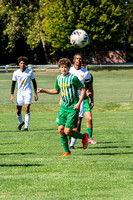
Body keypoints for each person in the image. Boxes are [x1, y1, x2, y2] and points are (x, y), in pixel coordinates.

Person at [37, 58, 89, 156]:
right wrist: (43, 90)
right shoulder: (59, 78)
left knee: (67, 131)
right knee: (60, 129)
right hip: (63, 108)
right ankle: (67, 151)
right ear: (59, 68)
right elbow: (56, 91)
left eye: (66, 67)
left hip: (72, 108)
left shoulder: (73, 78)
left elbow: (83, 90)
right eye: (62, 67)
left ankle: (84, 137)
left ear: (69, 68)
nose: (64, 69)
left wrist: (78, 103)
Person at [69, 53, 96, 149]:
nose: (79, 60)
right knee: (71, 122)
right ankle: (70, 138)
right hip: (71, 99)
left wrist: (90, 97)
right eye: (77, 59)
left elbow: (89, 86)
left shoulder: (86, 73)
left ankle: (73, 143)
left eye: (80, 59)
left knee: (80, 121)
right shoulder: (69, 71)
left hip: (82, 99)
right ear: (73, 60)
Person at [10, 56, 38, 131]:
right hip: (19, 93)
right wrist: (12, 95)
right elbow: (13, 84)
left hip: (28, 92)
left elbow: (34, 82)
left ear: (26, 64)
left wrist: (36, 93)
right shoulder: (16, 73)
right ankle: (21, 122)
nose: (22, 64)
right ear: (19, 64)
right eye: (21, 63)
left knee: (27, 107)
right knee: (18, 110)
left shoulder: (30, 72)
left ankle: (26, 127)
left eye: (24, 63)